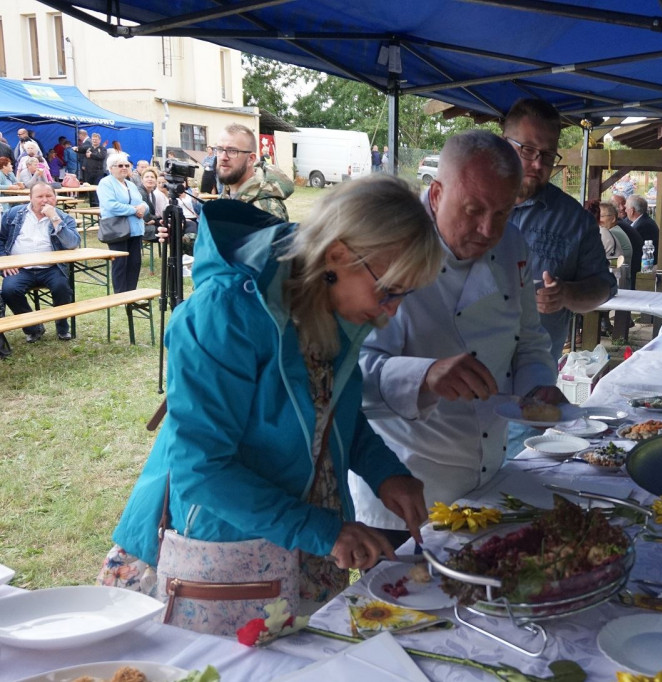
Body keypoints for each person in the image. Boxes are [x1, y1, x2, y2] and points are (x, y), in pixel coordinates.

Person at [100, 176, 442, 634]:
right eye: (389, 291)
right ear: (338, 255)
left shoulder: (333, 305)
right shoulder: (226, 313)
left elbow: (331, 412)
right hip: (223, 545)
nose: (392, 311)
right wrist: (322, 530)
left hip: (302, 538)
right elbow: (200, 469)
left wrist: (386, 472)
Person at [349, 131, 556, 541]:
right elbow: (350, 373)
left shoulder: (513, 245)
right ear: (438, 192)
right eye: (473, 209)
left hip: (489, 478)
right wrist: (425, 376)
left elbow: (529, 339)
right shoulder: (388, 246)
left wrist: (539, 388)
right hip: (404, 485)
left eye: (502, 213)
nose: (487, 228)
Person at [503, 98, 616, 358]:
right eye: (528, 149)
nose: (538, 164)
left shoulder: (575, 220)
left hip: (532, 375)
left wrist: (565, 293)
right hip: (461, 372)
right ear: (503, 144)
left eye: (548, 154)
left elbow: (603, 286)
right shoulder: (470, 203)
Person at [0, 183, 81, 343]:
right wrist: (5, 260)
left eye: (49, 196)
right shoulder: (13, 214)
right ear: (30, 198)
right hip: (20, 268)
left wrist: (54, 218)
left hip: (51, 268)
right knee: (9, 290)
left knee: (62, 287)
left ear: (55, 198)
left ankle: (62, 327)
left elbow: (72, 243)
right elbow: (0, 239)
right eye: (40, 196)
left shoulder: (63, 217)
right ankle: (33, 328)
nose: (45, 200)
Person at [216, 124, 293, 221]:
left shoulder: (264, 210)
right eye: (219, 149)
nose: (223, 157)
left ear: (251, 159)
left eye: (232, 151)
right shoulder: (226, 195)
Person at [98, 152, 147, 293]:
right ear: (111, 168)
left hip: (135, 229)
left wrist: (143, 208)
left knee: (135, 262)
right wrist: (134, 210)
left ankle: (131, 292)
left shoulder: (131, 184)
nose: (124, 168)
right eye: (120, 165)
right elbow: (110, 205)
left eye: (127, 165)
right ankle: (120, 294)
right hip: (117, 229)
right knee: (120, 263)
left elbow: (142, 202)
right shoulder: (106, 183)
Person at [81, 132, 108, 204]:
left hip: (98, 172)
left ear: (99, 140)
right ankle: (91, 203)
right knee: (89, 188)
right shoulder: (89, 148)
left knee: (97, 188)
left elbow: (102, 156)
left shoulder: (102, 149)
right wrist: (84, 165)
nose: (94, 141)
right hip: (89, 172)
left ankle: (97, 203)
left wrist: (92, 155)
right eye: (93, 139)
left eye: (96, 139)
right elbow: (85, 157)